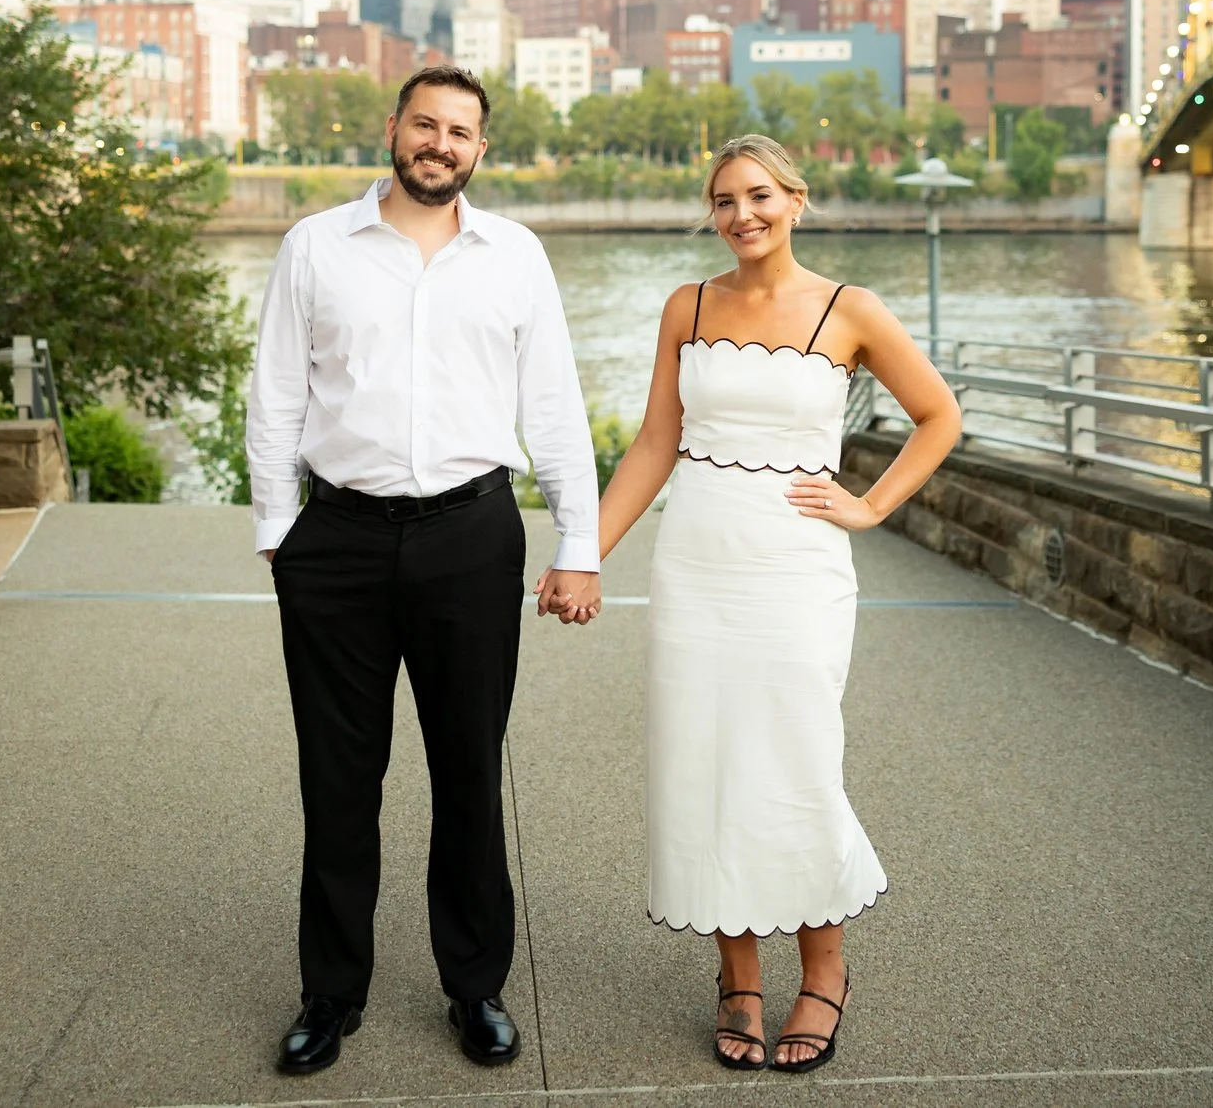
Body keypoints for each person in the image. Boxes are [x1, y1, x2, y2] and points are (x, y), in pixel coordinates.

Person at [539, 134, 960, 1074]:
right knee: (705, 761)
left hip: (798, 569)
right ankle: (738, 976)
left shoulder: (852, 310)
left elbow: (941, 414)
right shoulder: (686, 305)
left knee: (797, 760)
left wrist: (870, 505)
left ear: (797, 199)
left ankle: (825, 971)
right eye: (725, 200)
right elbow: (655, 442)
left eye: (760, 195)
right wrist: (583, 556)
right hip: (698, 565)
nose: (743, 215)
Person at [245, 63, 602, 1077]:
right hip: (340, 541)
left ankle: (474, 985)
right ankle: (329, 992)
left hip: (471, 535)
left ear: (480, 149)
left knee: (468, 773)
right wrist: (280, 527)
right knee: (338, 778)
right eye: (425, 123)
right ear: (392, 128)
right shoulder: (315, 245)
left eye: (461, 130)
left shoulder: (516, 257)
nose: (440, 142)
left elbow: (555, 410)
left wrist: (578, 543)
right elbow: (273, 392)